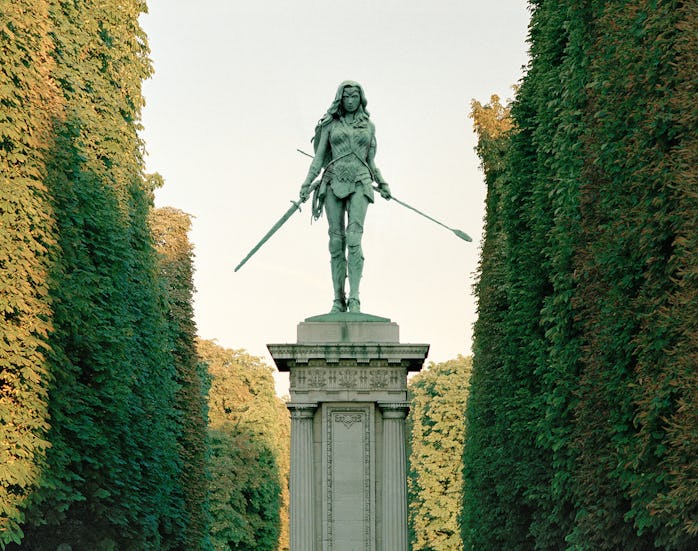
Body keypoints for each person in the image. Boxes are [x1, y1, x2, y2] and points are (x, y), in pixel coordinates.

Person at [299, 81, 391, 314]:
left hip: (360, 181)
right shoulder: (331, 125)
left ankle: (355, 298)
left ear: (361, 99)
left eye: (354, 96)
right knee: (335, 241)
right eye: (347, 96)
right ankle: (338, 299)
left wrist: (383, 182)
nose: (350, 100)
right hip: (332, 181)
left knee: (354, 239)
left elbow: (370, 162)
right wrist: (307, 182)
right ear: (341, 98)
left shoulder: (369, 126)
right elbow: (319, 157)